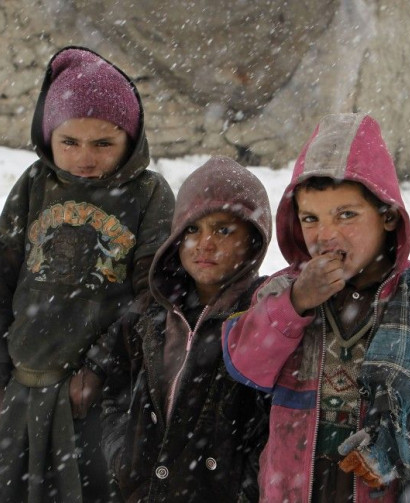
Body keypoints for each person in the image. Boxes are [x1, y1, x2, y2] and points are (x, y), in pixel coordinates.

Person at [222, 113, 410, 502]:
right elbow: (245, 364)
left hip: (393, 486)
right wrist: (295, 303)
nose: (326, 235)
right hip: (295, 486)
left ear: (387, 216)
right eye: (310, 218)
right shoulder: (281, 292)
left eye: (346, 215)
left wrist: (398, 444)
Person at [0, 46, 175, 503]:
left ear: (132, 139)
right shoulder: (34, 186)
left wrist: (101, 367)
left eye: (104, 143)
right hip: (23, 389)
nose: (85, 157)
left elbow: (153, 295)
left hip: (102, 398)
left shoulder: (148, 194)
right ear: (49, 137)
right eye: (70, 142)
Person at [88, 156, 272, 502]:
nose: (205, 243)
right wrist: (122, 458)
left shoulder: (262, 317)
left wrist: (244, 488)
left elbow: (270, 422)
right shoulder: (147, 315)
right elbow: (115, 393)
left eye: (223, 229)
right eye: (192, 229)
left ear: (253, 239)